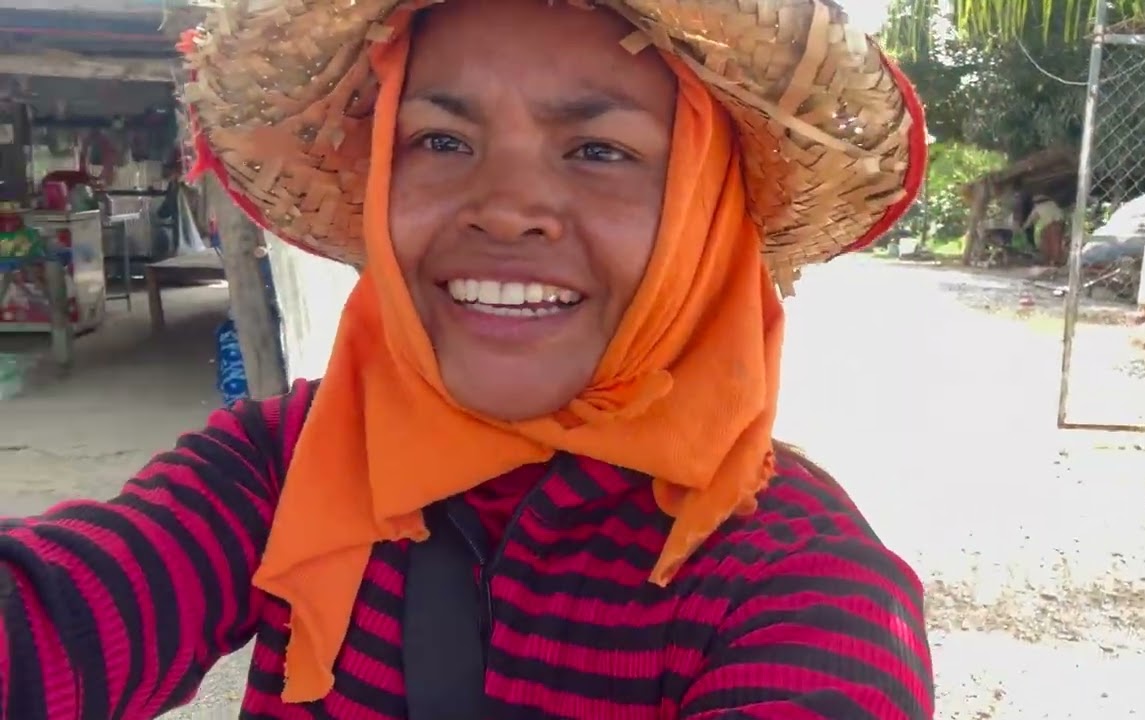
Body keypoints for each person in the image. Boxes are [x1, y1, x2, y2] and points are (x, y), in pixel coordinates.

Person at [0, 0, 934, 718]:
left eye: (600, 149)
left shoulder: (793, 585)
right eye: (441, 140)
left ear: (707, 213)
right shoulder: (289, 462)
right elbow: (51, 620)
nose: (504, 207)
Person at [1024, 194, 1067, 266]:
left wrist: (1024, 227)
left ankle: (1051, 261)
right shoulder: (1053, 204)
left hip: (1050, 226)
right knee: (1057, 243)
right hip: (1060, 224)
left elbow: (1032, 219)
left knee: (1047, 244)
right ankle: (1057, 261)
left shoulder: (1039, 207)